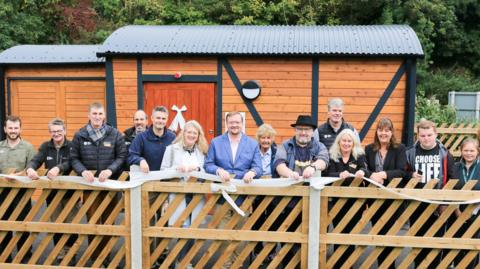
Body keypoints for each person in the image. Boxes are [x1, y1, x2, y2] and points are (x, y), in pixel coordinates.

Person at [69, 102, 127, 266]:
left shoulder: (115, 134)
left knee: (109, 223)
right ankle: (96, 259)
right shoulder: (80, 135)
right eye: (94, 114)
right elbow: (73, 158)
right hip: (90, 187)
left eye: (100, 114)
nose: (97, 117)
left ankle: (107, 257)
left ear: (104, 116)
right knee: (93, 223)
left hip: (110, 186)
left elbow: (122, 156)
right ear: (88, 115)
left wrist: (110, 170)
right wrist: (82, 171)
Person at [204, 111, 262, 268]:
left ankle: (238, 265)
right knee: (223, 235)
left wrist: (252, 172)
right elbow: (208, 164)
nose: (234, 125)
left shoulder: (251, 144)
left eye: (237, 122)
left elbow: (258, 167)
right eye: (231, 122)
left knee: (240, 235)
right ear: (227, 124)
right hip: (222, 197)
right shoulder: (216, 142)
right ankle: (225, 265)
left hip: (243, 198)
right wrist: (218, 170)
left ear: (242, 124)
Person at [273, 115, 329, 267]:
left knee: (310, 240)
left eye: (307, 130)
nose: (303, 132)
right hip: (288, 202)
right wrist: (290, 174)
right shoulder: (286, 145)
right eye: (300, 129)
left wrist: (313, 166)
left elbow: (324, 160)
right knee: (287, 240)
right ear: (296, 130)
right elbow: (278, 164)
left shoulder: (319, 146)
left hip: (312, 203)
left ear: (312, 132)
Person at [406, 118, 458, 268]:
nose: (426, 138)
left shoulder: (445, 154)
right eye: (422, 135)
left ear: (435, 134)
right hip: (417, 204)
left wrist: (445, 202)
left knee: (436, 242)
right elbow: (403, 173)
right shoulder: (410, 153)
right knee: (418, 242)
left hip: (438, 204)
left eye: (429, 135)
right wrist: (410, 175)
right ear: (417, 136)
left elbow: (452, 179)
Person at [25, 118, 76, 263]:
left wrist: (58, 168)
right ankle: (60, 252)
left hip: (70, 194)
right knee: (55, 225)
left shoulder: (72, 146)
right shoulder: (45, 146)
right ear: (50, 132)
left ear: (64, 131)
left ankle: (71, 253)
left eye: (59, 131)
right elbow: (36, 160)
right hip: (52, 194)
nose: (56, 134)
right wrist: (30, 168)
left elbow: (73, 161)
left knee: (72, 224)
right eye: (53, 131)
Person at [161, 120, 208, 268]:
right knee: (181, 228)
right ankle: (179, 262)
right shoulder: (171, 149)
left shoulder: (201, 152)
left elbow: (206, 172)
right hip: (178, 194)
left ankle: (185, 262)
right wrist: (176, 169)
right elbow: (162, 172)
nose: (192, 135)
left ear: (198, 136)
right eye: (189, 132)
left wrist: (199, 170)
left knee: (192, 229)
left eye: (195, 133)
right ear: (183, 133)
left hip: (195, 195)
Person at [365, 118, 406, 268]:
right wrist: (371, 175)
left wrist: (382, 174)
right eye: (381, 130)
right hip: (375, 200)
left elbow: (402, 171)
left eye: (387, 130)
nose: (384, 133)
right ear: (377, 132)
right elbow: (365, 169)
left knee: (390, 236)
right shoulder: (369, 149)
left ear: (391, 132)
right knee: (378, 235)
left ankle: (390, 266)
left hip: (392, 200)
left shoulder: (399, 148)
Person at [327, 128, 370, 269]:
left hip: (355, 203)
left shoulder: (359, 155)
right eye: (344, 141)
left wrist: (361, 171)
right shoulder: (333, 156)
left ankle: (349, 265)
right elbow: (327, 174)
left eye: (349, 141)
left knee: (351, 233)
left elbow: (367, 171)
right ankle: (337, 264)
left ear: (353, 143)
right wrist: (339, 174)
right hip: (337, 201)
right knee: (338, 232)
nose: (346, 143)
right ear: (339, 142)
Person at [0, 115, 36, 262]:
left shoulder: (28, 147)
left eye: (16, 128)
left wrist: (18, 175)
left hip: (22, 193)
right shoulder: (0, 146)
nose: (13, 130)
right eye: (10, 128)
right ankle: (5, 257)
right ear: (5, 129)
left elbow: (33, 166)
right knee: (4, 224)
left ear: (20, 129)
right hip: (2, 193)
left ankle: (25, 256)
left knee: (23, 225)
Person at [453, 138, 480, 268]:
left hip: (477, 213)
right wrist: (456, 209)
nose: (469, 153)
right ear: (461, 151)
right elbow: (450, 189)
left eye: (472, 150)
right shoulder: (455, 167)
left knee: (473, 246)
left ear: (477, 151)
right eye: (466, 150)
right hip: (457, 213)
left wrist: (472, 211)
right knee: (457, 245)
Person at [128, 106, 175, 173]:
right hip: (146, 178)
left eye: (163, 118)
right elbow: (131, 156)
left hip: (168, 180)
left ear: (167, 119)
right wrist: (141, 160)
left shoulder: (172, 137)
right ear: (152, 118)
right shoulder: (141, 137)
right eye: (158, 118)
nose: (160, 121)